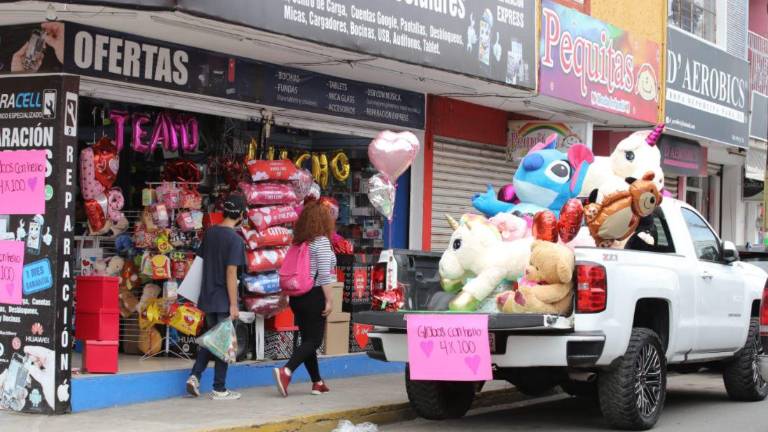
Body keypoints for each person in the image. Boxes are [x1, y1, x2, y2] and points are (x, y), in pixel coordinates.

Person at [274, 200, 337, 397]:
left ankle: (317, 382)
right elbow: (325, 275)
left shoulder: (299, 243)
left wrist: (284, 296)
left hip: (297, 297)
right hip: (314, 295)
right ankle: (287, 370)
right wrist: (330, 300)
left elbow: (288, 270)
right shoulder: (321, 242)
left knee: (307, 340)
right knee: (314, 341)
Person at [186, 194, 246, 400]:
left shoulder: (210, 234)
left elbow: (200, 265)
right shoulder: (235, 241)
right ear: (240, 215)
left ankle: (195, 376)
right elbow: (231, 274)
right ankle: (219, 388)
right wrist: (233, 304)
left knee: (213, 341)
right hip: (223, 299)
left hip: (208, 297)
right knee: (223, 344)